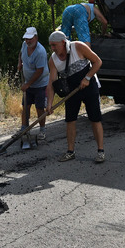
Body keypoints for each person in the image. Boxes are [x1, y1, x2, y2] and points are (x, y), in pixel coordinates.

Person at [46, 30, 105, 163]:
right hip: (71, 91)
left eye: (54, 45)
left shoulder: (78, 47)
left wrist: (87, 78)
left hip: (89, 86)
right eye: (51, 46)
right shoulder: (53, 60)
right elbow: (51, 84)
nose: (52, 48)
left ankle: (100, 151)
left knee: (95, 118)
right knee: (70, 120)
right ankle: (70, 151)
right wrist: (49, 103)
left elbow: (98, 62)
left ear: (63, 42)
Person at [18, 27, 49, 143]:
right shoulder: (24, 45)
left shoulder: (40, 52)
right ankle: (24, 128)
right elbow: (20, 53)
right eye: (26, 39)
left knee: (39, 107)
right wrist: (19, 62)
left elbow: (39, 71)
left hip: (40, 84)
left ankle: (42, 130)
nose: (28, 41)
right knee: (25, 106)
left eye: (30, 39)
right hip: (28, 83)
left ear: (36, 37)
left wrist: (28, 84)